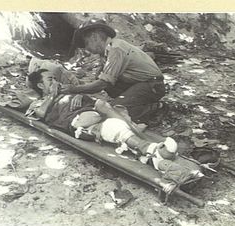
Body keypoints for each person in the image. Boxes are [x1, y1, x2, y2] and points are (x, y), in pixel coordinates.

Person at [25, 68, 199, 194]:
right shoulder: (38, 103)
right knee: (115, 127)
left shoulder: (68, 94)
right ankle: (153, 149)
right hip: (80, 125)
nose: (55, 82)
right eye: (50, 80)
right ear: (40, 85)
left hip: (96, 116)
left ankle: (159, 161)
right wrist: (52, 96)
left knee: (113, 115)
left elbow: (96, 103)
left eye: (56, 79)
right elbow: (39, 114)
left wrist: (79, 96)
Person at [63, 18, 166, 123]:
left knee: (113, 111)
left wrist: (74, 89)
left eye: (86, 44)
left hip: (153, 85)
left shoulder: (116, 48)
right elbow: (98, 79)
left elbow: (102, 84)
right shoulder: (106, 54)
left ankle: (156, 107)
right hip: (140, 84)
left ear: (94, 37)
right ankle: (132, 103)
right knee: (109, 90)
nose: (87, 49)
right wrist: (80, 93)